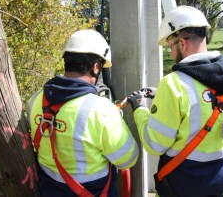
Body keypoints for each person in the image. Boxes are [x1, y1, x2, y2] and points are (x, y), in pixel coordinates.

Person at [128, 6, 223, 197]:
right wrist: (163, 97)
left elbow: (155, 144)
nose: (171, 54)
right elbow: (205, 102)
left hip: (182, 185)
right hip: (218, 182)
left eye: (170, 47)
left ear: (181, 43)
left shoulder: (173, 84)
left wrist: (140, 109)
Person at [27, 30, 139, 197]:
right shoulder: (101, 110)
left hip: (49, 190)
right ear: (95, 67)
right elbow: (127, 159)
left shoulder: (36, 99)